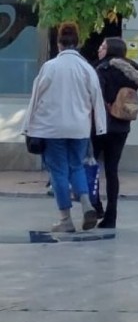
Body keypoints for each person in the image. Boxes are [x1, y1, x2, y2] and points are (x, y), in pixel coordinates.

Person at [23, 23, 106, 233]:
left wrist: (28, 126)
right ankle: (86, 203)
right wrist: (100, 127)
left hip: (51, 128)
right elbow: (97, 98)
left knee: (59, 171)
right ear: (77, 43)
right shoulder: (87, 68)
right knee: (76, 166)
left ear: (58, 43)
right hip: (79, 128)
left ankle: (65, 219)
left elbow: (36, 97)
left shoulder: (50, 67)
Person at [90, 37, 138, 229]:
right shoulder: (133, 70)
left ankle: (95, 204)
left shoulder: (102, 69)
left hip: (101, 124)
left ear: (111, 49)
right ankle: (111, 215)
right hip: (122, 125)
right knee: (112, 170)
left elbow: (97, 95)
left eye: (103, 46)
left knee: (92, 165)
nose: (100, 49)